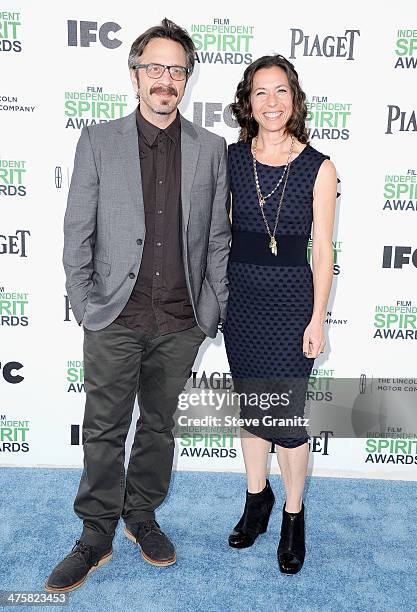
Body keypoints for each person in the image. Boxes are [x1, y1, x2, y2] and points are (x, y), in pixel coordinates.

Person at [45, 18, 230, 593]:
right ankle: (95, 532)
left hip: (180, 321)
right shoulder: (99, 141)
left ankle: (141, 515)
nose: (165, 80)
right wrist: (84, 301)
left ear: (186, 80)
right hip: (114, 316)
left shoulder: (211, 148)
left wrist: (211, 308)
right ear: (134, 76)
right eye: (155, 68)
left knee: (158, 426)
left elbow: (217, 238)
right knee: (103, 429)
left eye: (176, 70)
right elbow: (78, 230)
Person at [223, 54, 336, 574]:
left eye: (281, 91)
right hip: (242, 304)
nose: (272, 102)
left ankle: (293, 514)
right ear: (248, 102)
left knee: (286, 419)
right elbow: (219, 235)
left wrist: (318, 319)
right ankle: (255, 500)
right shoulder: (231, 159)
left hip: (292, 306)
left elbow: (323, 252)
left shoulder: (320, 167)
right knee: (253, 409)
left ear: (295, 98)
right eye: (261, 92)